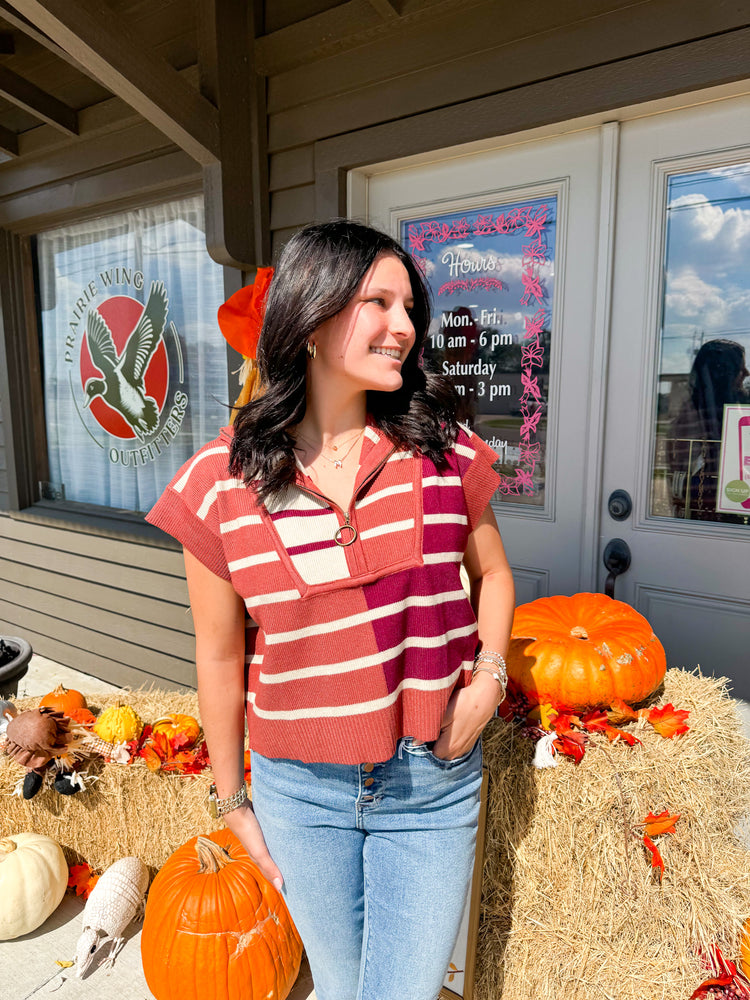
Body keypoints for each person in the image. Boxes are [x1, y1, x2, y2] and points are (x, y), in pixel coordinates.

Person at [146, 220, 515, 1000]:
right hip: (298, 788)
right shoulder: (218, 481)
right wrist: (232, 798)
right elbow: (218, 654)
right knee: (343, 989)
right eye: (378, 302)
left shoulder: (442, 447)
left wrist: (488, 677)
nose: (406, 326)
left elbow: (494, 576)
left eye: (410, 307)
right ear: (312, 319)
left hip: (430, 776)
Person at [667, 339, 749, 521]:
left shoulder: (737, 412)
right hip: (709, 521)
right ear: (723, 372)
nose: (746, 373)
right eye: (740, 367)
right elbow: (686, 483)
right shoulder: (692, 421)